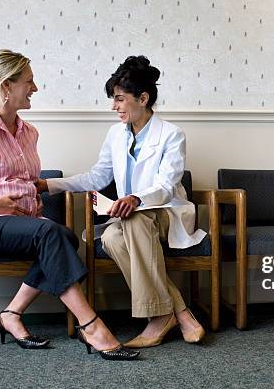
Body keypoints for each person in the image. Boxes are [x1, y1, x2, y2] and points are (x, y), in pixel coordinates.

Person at [0, 49, 139, 361]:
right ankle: (92, 325)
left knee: (66, 236)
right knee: (51, 235)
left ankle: (11, 314)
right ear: (7, 86)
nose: (36, 87)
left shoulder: (29, 132)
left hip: (19, 224)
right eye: (29, 81)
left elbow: (29, 186)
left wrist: (35, 215)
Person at [36, 55, 207, 348]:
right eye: (113, 99)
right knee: (113, 238)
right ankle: (176, 311)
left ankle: (157, 319)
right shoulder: (116, 134)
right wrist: (48, 184)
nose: (114, 106)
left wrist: (136, 198)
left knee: (136, 219)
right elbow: (96, 177)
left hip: (165, 213)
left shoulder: (172, 135)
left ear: (143, 98)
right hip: (128, 218)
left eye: (119, 99)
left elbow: (166, 186)